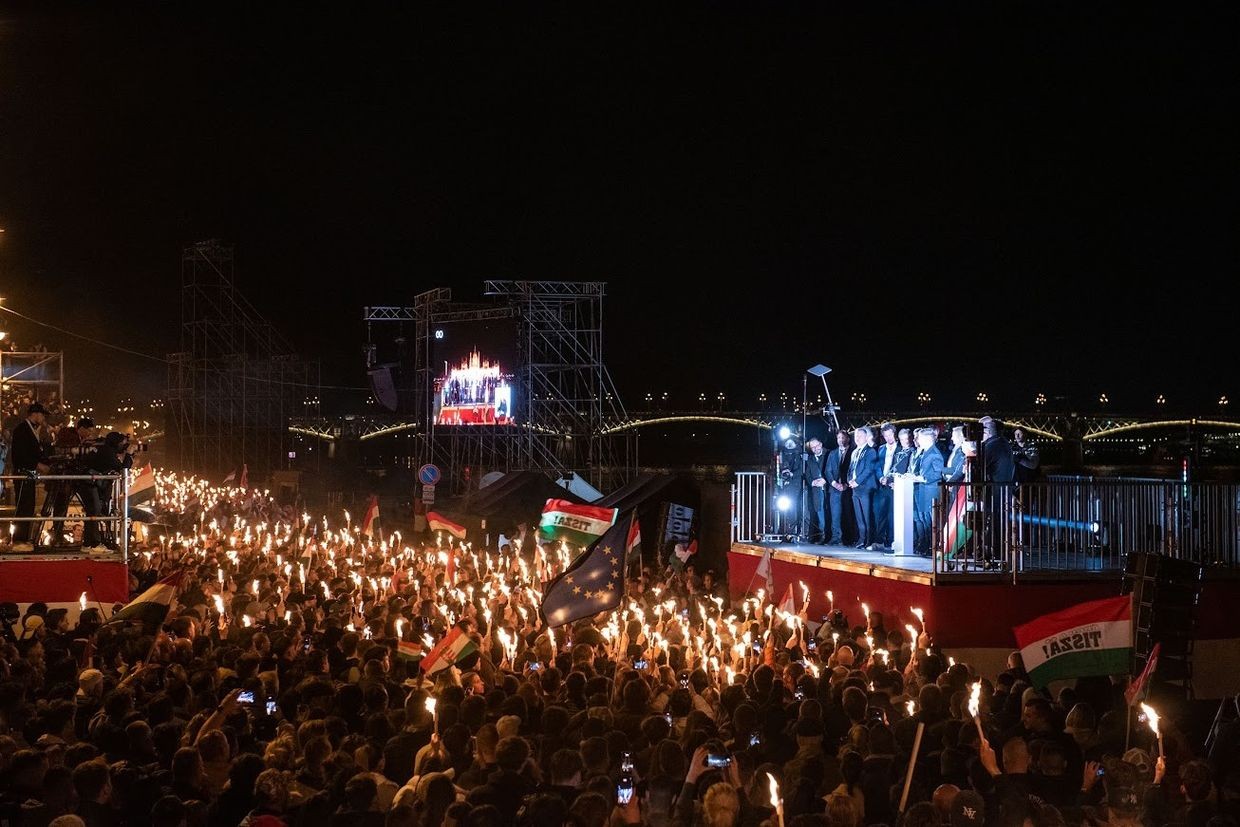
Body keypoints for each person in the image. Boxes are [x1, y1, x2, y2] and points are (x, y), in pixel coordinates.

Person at [81, 432, 138, 549]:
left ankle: (88, 543)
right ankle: (95, 544)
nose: (124, 446)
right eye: (123, 444)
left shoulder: (105, 450)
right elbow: (123, 469)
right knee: (94, 512)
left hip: (91, 483)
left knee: (93, 512)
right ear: (116, 443)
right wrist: (128, 454)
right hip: (89, 483)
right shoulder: (107, 452)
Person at [10, 402, 51, 548]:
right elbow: (20, 454)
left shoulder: (32, 430)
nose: (44, 419)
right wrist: (37, 464)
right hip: (23, 472)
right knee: (23, 505)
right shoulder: (22, 430)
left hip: (30, 473)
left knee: (29, 505)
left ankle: (24, 538)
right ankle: (19, 539)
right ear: (35, 414)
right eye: (42, 415)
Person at [979, 417, 1015, 566]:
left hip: (994, 490)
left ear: (987, 431)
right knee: (999, 523)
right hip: (1005, 488)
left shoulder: (991, 446)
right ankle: (999, 554)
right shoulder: (1005, 444)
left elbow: (980, 466)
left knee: (993, 523)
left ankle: (993, 555)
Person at [907, 428, 944, 557]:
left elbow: (938, 473)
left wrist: (923, 478)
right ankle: (927, 545)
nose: (917, 440)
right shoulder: (926, 452)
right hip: (923, 489)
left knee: (930, 520)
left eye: (920, 438)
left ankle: (932, 546)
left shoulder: (934, 453)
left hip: (930, 489)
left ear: (928, 439)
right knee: (923, 519)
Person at [847, 427, 878, 549]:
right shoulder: (855, 452)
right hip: (854, 488)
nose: (857, 438)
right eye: (856, 436)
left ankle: (869, 540)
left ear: (866, 437)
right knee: (859, 516)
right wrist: (849, 480)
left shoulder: (870, 451)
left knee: (867, 515)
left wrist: (857, 481)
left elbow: (869, 469)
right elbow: (851, 468)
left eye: (860, 435)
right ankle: (861, 539)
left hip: (865, 488)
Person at [873, 423, 899, 552]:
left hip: (894, 486)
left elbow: (901, 467)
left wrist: (890, 480)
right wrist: (880, 478)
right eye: (886, 436)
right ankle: (880, 540)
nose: (888, 438)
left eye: (890, 435)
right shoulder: (881, 449)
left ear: (894, 434)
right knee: (881, 513)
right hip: (882, 485)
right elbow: (877, 466)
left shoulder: (900, 448)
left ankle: (891, 540)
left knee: (892, 514)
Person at [825, 429, 852, 546]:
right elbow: (827, 471)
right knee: (835, 514)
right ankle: (836, 537)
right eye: (838, 438)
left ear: (848, 439)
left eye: (842, 438)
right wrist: (834, 483)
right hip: (834, 489)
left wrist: (846, 484)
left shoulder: (853, 452)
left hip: (848, 488)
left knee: (848, 514)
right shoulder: (832, 453)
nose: (840, 440)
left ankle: (849, 538)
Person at [803, 439, 828, 544]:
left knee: (831, 514)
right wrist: (812, 482)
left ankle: (834, 537)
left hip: (829, 489)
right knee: (820, 513)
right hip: (817, 491)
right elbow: (808, 474)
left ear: (821, 444)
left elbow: (835, 470)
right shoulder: (810, 459)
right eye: (812, 447)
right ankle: (823, 536)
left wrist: (825, 480)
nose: (815, 449)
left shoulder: (829, 454)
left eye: (816, 446)